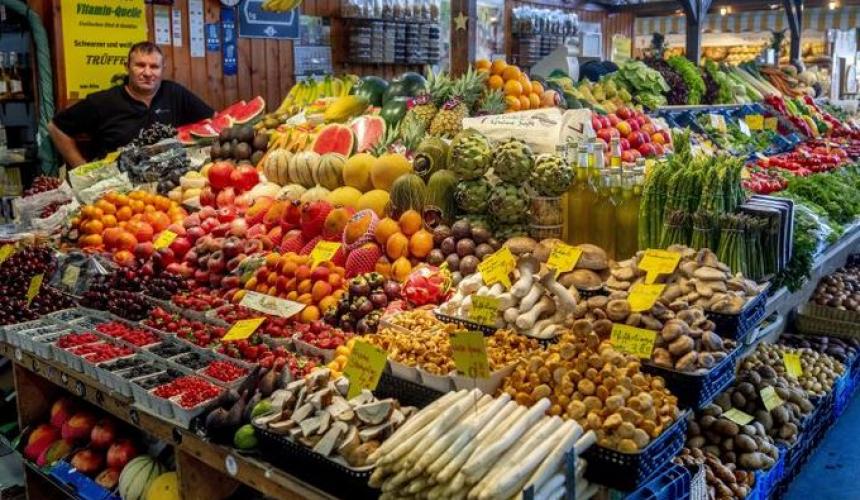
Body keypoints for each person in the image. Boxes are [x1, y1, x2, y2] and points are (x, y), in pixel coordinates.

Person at [48, 41, 214, 167]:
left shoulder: (175, 93)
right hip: (117, 188)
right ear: (127, 67)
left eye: (154, 67)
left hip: (169, 183)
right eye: (140, 65)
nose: (147, 73)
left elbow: (214, 120)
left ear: (163, 69)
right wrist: (81, 167)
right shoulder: (102, 101)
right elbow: (56, 128)